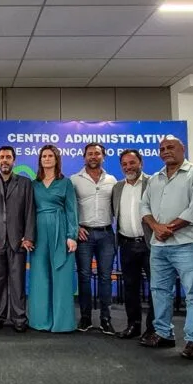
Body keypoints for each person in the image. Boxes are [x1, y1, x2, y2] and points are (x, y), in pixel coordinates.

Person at [139, 136, 193, 359]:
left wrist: (168, 228)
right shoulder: (155, 179)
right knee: (159, 291)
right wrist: (156, 227)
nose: (166, 151)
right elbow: (144, 206)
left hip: (187, 243)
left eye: (170, 147)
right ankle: (163, 333)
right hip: (159, 245)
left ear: (182, 148)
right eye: (162, 148)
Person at [0, 146, 36, 333]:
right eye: (2, 157)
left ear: (14, 160)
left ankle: (19, 318)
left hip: (18, 241)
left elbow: (30, 211)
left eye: (8, 157)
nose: (5, 160)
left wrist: (29, 237)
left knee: (18, 282)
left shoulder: (25, 183)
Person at [28, 145, 78, 333]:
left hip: (60, 229)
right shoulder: (34, 184)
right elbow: (28, 212)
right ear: (40, 160)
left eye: (50, 156)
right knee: (39, 277)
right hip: (39, 232)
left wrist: (71, 236)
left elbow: (72, 210)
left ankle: (62, 323)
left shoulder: (66, 183)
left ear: (57, 159)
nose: (47, 159)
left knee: (61, 277)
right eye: (44, 156)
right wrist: (28, 235)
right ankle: (40, 321)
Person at [71, 143, 117, 335]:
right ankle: (85, 318)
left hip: (106, 234)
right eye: (89, 154)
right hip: (84, 235)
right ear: (84, 157)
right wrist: (76, 227)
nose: (93, 156)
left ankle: (106, 319)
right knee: (84, 277)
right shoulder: (75, 180)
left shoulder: (112, 180)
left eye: (97, 153)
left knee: (106, 277)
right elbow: (69, 208)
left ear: (103, 157)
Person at [111, 149, 154, 340]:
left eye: (132, 163)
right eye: (124, 164)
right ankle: (133, 325)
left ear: (141, 163)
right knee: (130, 287)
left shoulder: (153, 183)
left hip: (150, 244)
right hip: (126, 244)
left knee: (155, 288)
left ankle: (153, 329)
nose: (128, 167)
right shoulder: (118, 187)